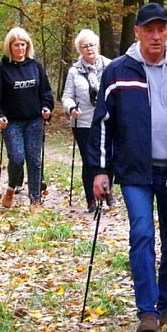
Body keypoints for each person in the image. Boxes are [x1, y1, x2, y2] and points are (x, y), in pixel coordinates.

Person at [87, 2, 167, 332]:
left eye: (161, 29)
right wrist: (100, 171)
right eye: (149, 30)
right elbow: (102, 123)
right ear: (138, 33)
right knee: (142, 234)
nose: (156, 36)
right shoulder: (117, 71)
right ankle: (147, 311)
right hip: (134, 171)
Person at [0, 27, 54, 212]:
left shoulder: (35, 66)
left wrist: (46, 107)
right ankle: (11, 187)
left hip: (34, 120)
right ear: (10, 46)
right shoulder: (2, 68)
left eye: (23, 44)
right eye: (16, 45)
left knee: (34, 160)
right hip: (12, 122)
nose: (20, 48)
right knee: (17, 158)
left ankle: (35, 199)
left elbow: (46, 92)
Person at [61, 29, 113, 212]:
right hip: (83, 122)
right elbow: (66, 96)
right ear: (79, 50)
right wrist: (71, 108)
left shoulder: (110, 66)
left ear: (97, 45)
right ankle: (91, 199)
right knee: (89, 160)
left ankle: (107, 193)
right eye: (85, 46)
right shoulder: (74, 72)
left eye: (91, 44)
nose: (89, 48)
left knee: (108, 157)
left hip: (107, 121)